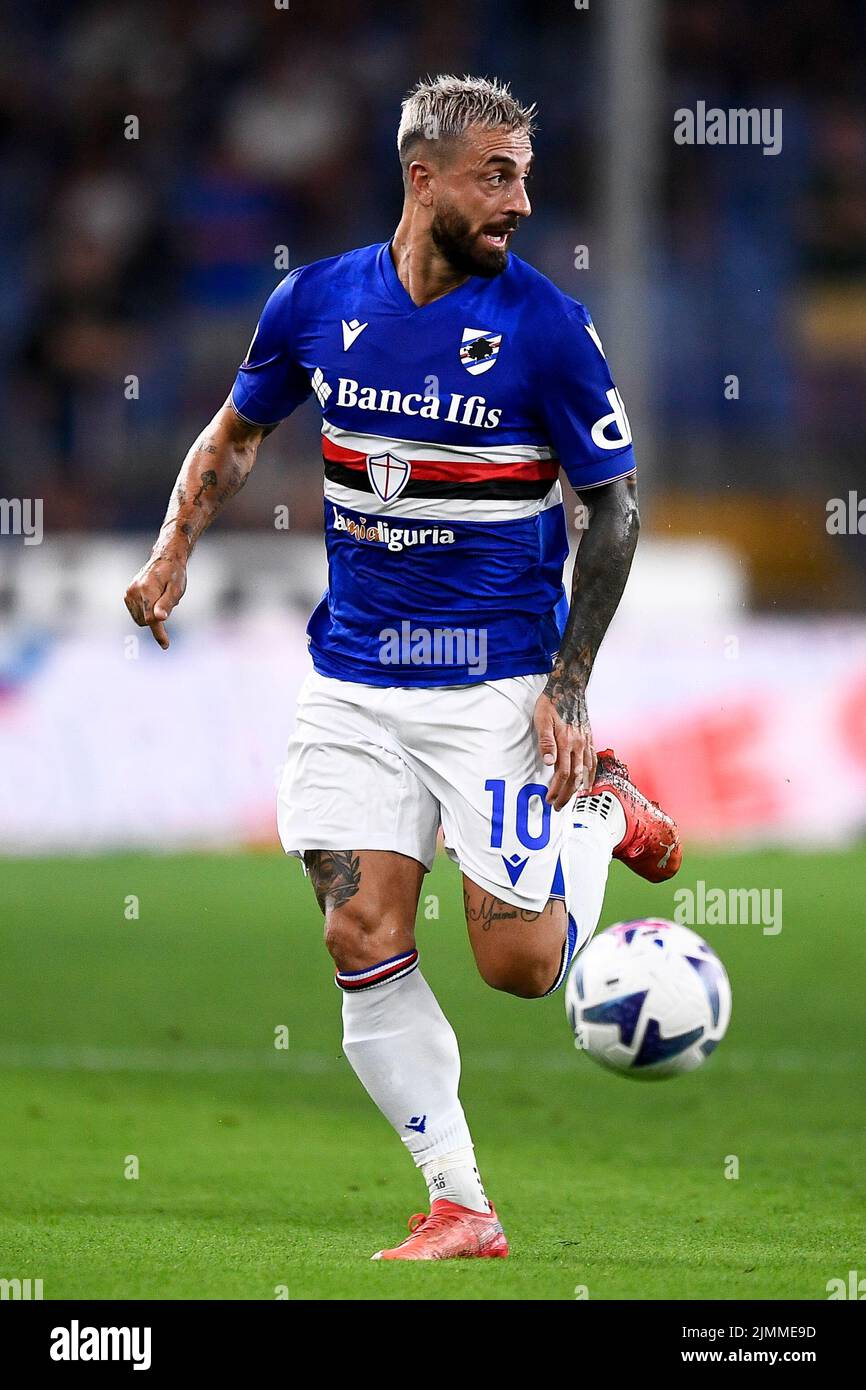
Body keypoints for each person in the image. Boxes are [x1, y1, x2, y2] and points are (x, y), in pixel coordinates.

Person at [124, 74, 681, 1262]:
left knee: (520, 967)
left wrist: (568, 684)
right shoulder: (315, 302)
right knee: (355, 931)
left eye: (525, 175)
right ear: (420, 176)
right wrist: (170, 554)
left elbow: (615, 514)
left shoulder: (545, 328)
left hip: (490, 683)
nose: (519, 201)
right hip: (351, 680)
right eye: (495, 175)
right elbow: (235, 437)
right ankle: (459, 1202)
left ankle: (594, 807)